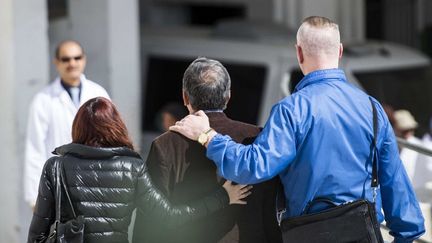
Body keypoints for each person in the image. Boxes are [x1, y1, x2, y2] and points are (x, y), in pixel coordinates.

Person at [170, 16, 425, 242]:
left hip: (308, 232)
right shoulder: (371, 108)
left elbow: (253, 167)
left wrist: (207, 136)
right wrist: (407, 234)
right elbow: (395, 180)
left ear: (299, 53)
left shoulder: (291, 110)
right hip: (363, 231)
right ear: (339, 51)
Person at [27, 97, 251, 243]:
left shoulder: (55, 167)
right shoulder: (132, 168)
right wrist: (222, 197)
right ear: (115, 126)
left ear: (78, 127)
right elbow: (168, 216)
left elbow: (37, 232)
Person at [133, 57, 282, 243]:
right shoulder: (256, 137)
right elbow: (270, 208)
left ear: (185, 97)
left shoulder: (165, 145)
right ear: (228, 96)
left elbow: (150, 218)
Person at [23, 40, 110, 208]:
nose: (72, 63)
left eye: (77, 58)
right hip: (59, 186)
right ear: (56, 62)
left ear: (84, 59)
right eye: (66, 59)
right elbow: (34, 149)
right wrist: (35, 196)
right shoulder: (43, 100)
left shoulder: (99, 93)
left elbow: (109, 140)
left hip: (95, 182)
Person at [394, 109, 422, 180]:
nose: (408, 134)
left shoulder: (420, 146)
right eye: (404, 131)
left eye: (411, 129)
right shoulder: (388, 146)